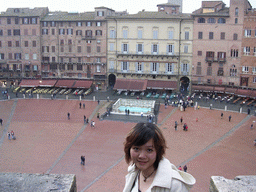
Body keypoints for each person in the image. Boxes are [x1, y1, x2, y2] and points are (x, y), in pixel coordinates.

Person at [123, 123, 196, 192]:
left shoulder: (174, 184)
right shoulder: (132, 173)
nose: (142, 156)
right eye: (136, 148)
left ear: (158, 151)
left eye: (149, 150)